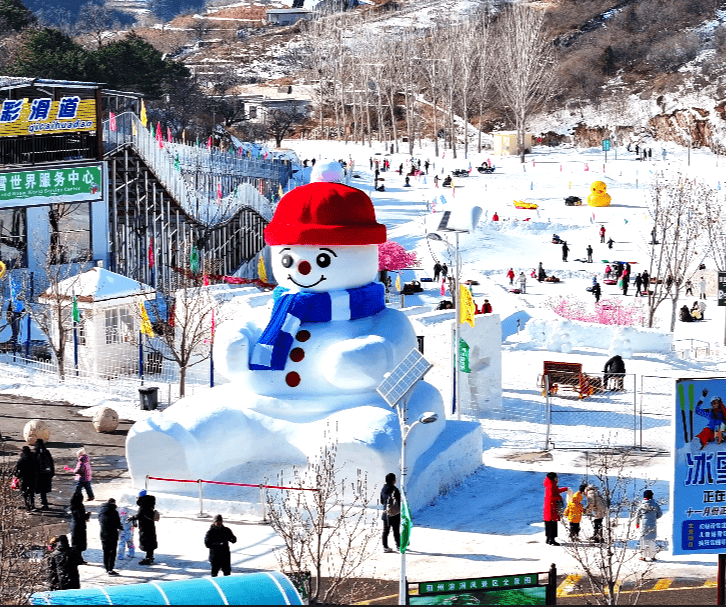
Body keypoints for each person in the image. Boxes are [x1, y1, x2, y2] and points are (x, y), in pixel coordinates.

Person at [98, 498, 122, 575]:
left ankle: (106, 567)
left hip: (103, 534)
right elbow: (117, 524)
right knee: (112, 552)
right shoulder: (114, 512)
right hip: (112, 534)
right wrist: (120, 527)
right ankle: (110, 569)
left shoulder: (101, 512)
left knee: (105, 551)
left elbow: (100, 520)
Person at [636, 490, 662, 562]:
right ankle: (652, 556)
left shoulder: (641, 505)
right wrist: (653, 518)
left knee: (643, 540)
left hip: (644, 525)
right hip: (653, 524)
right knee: (652, 540)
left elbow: (637, 515)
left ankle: (643, 556)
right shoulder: (655, 505)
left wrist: (637, 524)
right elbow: (660, 514)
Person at [543, 472, 568, 546]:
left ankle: (548, 539)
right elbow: (552, 496)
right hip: (552, 507)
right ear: (553, 478)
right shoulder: (551, 485)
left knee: (548, 523)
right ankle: (552, 539)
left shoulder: (550, 484)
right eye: (556, 477)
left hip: (548, 507)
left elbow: (556, 491)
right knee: (552, 523)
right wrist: (559, 498)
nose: (557, 478)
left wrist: (565, 489)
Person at [380, 473, 401, 553]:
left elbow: (382, 501)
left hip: (386, 513)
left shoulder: (383, 489)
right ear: (393, 480)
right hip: (395, 513)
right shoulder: (395, 490)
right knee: (396, 530)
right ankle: (398, 545)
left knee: (386, 530)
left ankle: (385, 547)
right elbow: (399, 502)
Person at [136, 490, 158, 565]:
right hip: (150, 526)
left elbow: (139, 515)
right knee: (150, 541)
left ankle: (148, 558)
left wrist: (133, 518)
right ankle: (150, 557)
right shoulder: (149, 503)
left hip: (145, 527)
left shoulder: (143, 505)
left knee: (147, 541)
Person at [15, 445, 38, 511]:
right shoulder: (33, 458)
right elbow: (37, 467)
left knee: (24, 491)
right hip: (33, 477)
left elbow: (17, 469)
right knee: (31, 491)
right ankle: (32, 504)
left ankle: (26, 504)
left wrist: (17, 476)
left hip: (24, 477)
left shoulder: (21, 459)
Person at [69, 491, 90, 563]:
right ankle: (77, 559)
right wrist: (87, 515)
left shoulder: (73, 506)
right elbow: (80, 517)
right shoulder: (79, 506)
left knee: (77, 543)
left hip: (75, 526)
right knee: (78, 544)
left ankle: (78, 558)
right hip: (79, 527)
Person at [34, 439, 54, 511]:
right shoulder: (46, 452)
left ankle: (36, 503)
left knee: (38, 489)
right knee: (43, 490)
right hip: (46, 474)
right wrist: (52, 472)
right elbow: (51, 462)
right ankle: (44, 503)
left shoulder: (35, 453)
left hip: (38, 474)